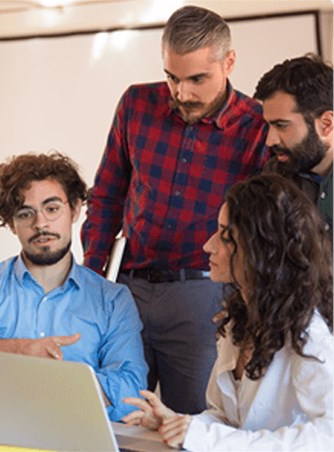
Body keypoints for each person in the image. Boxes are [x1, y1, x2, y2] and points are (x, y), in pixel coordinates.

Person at [81, 5, 268, 414]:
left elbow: (262, 228)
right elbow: (108, 193)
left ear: (228, 62)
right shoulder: (136, 103)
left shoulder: (257, 125)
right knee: (114, 415)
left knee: (191, 424)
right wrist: (92, 278)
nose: (181, 93)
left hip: (206, 296)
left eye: (197, 79)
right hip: (127, 290)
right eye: (172, 78)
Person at [122, 173, 333, 451]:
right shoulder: (238, 322)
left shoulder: (308, 333)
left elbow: (328, 436)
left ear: (262, 249)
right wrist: (178, 423)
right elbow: (226, 421)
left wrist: (205, 437)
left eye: (225, 236)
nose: (208, 245)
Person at [0, 151, 148, 421]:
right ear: (11, 223)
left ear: (75, 210)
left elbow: (132, 390)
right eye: (25, 213)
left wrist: (53, 383)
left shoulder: (113, 300)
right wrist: (26, 351)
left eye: (52, 209)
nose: (40, 224)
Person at [254, 54, 333, 234]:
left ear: (326, 124)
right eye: (268, 125)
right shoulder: (274, 176)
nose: (270, 141)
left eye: (281, 125)